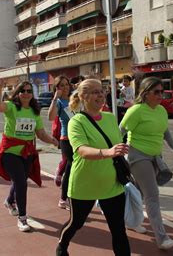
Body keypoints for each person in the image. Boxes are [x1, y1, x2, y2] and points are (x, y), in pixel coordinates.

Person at [57, 79, 130, 256]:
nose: (100, 95)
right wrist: (108, 152)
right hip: (85, 183)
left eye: (101, 91)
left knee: (119, 230)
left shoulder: (111, 118)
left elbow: (117, 144)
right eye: (95, 92)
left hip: (112, 183)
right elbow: (81, 150)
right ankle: (62, 245)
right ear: (83, 97)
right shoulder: (77, 122)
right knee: (76, 223)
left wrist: (122, 148)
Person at [119, 77, 173, 250]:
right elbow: (120, 131)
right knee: (152, 195)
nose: (160, 95)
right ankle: (162, 238)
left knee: (140, 192)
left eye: (161, 91)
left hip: (156, 157)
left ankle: (130, 220)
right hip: (138, 156)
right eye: (156, 92)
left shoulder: (161, 110)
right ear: (145, 92)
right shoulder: (136, 110)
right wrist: (113, 154)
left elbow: (166, 132)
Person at [0, 73, 58, 232]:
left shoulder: (35, 112)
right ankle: (22, 218)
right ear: (18, 93)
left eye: (29, 91)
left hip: (27, 152)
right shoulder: (12, 107)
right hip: (10, 151)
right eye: (23, 91)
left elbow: (40, 133)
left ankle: (9, 201)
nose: (26, 93)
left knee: (19, 180)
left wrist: (53, 141)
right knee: (21, 182)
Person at [48, 76, 75, 210]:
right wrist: (54, 98)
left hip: (80, 138)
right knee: (71, 168)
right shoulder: (58, 102)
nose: (65, 87)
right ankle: (64, 198)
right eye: (61, 85)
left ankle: (68, 197)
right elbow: (50, 117)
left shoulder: (74, 99)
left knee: (75, 168)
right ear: (56, 88)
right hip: (66, 139)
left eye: (66, 84)